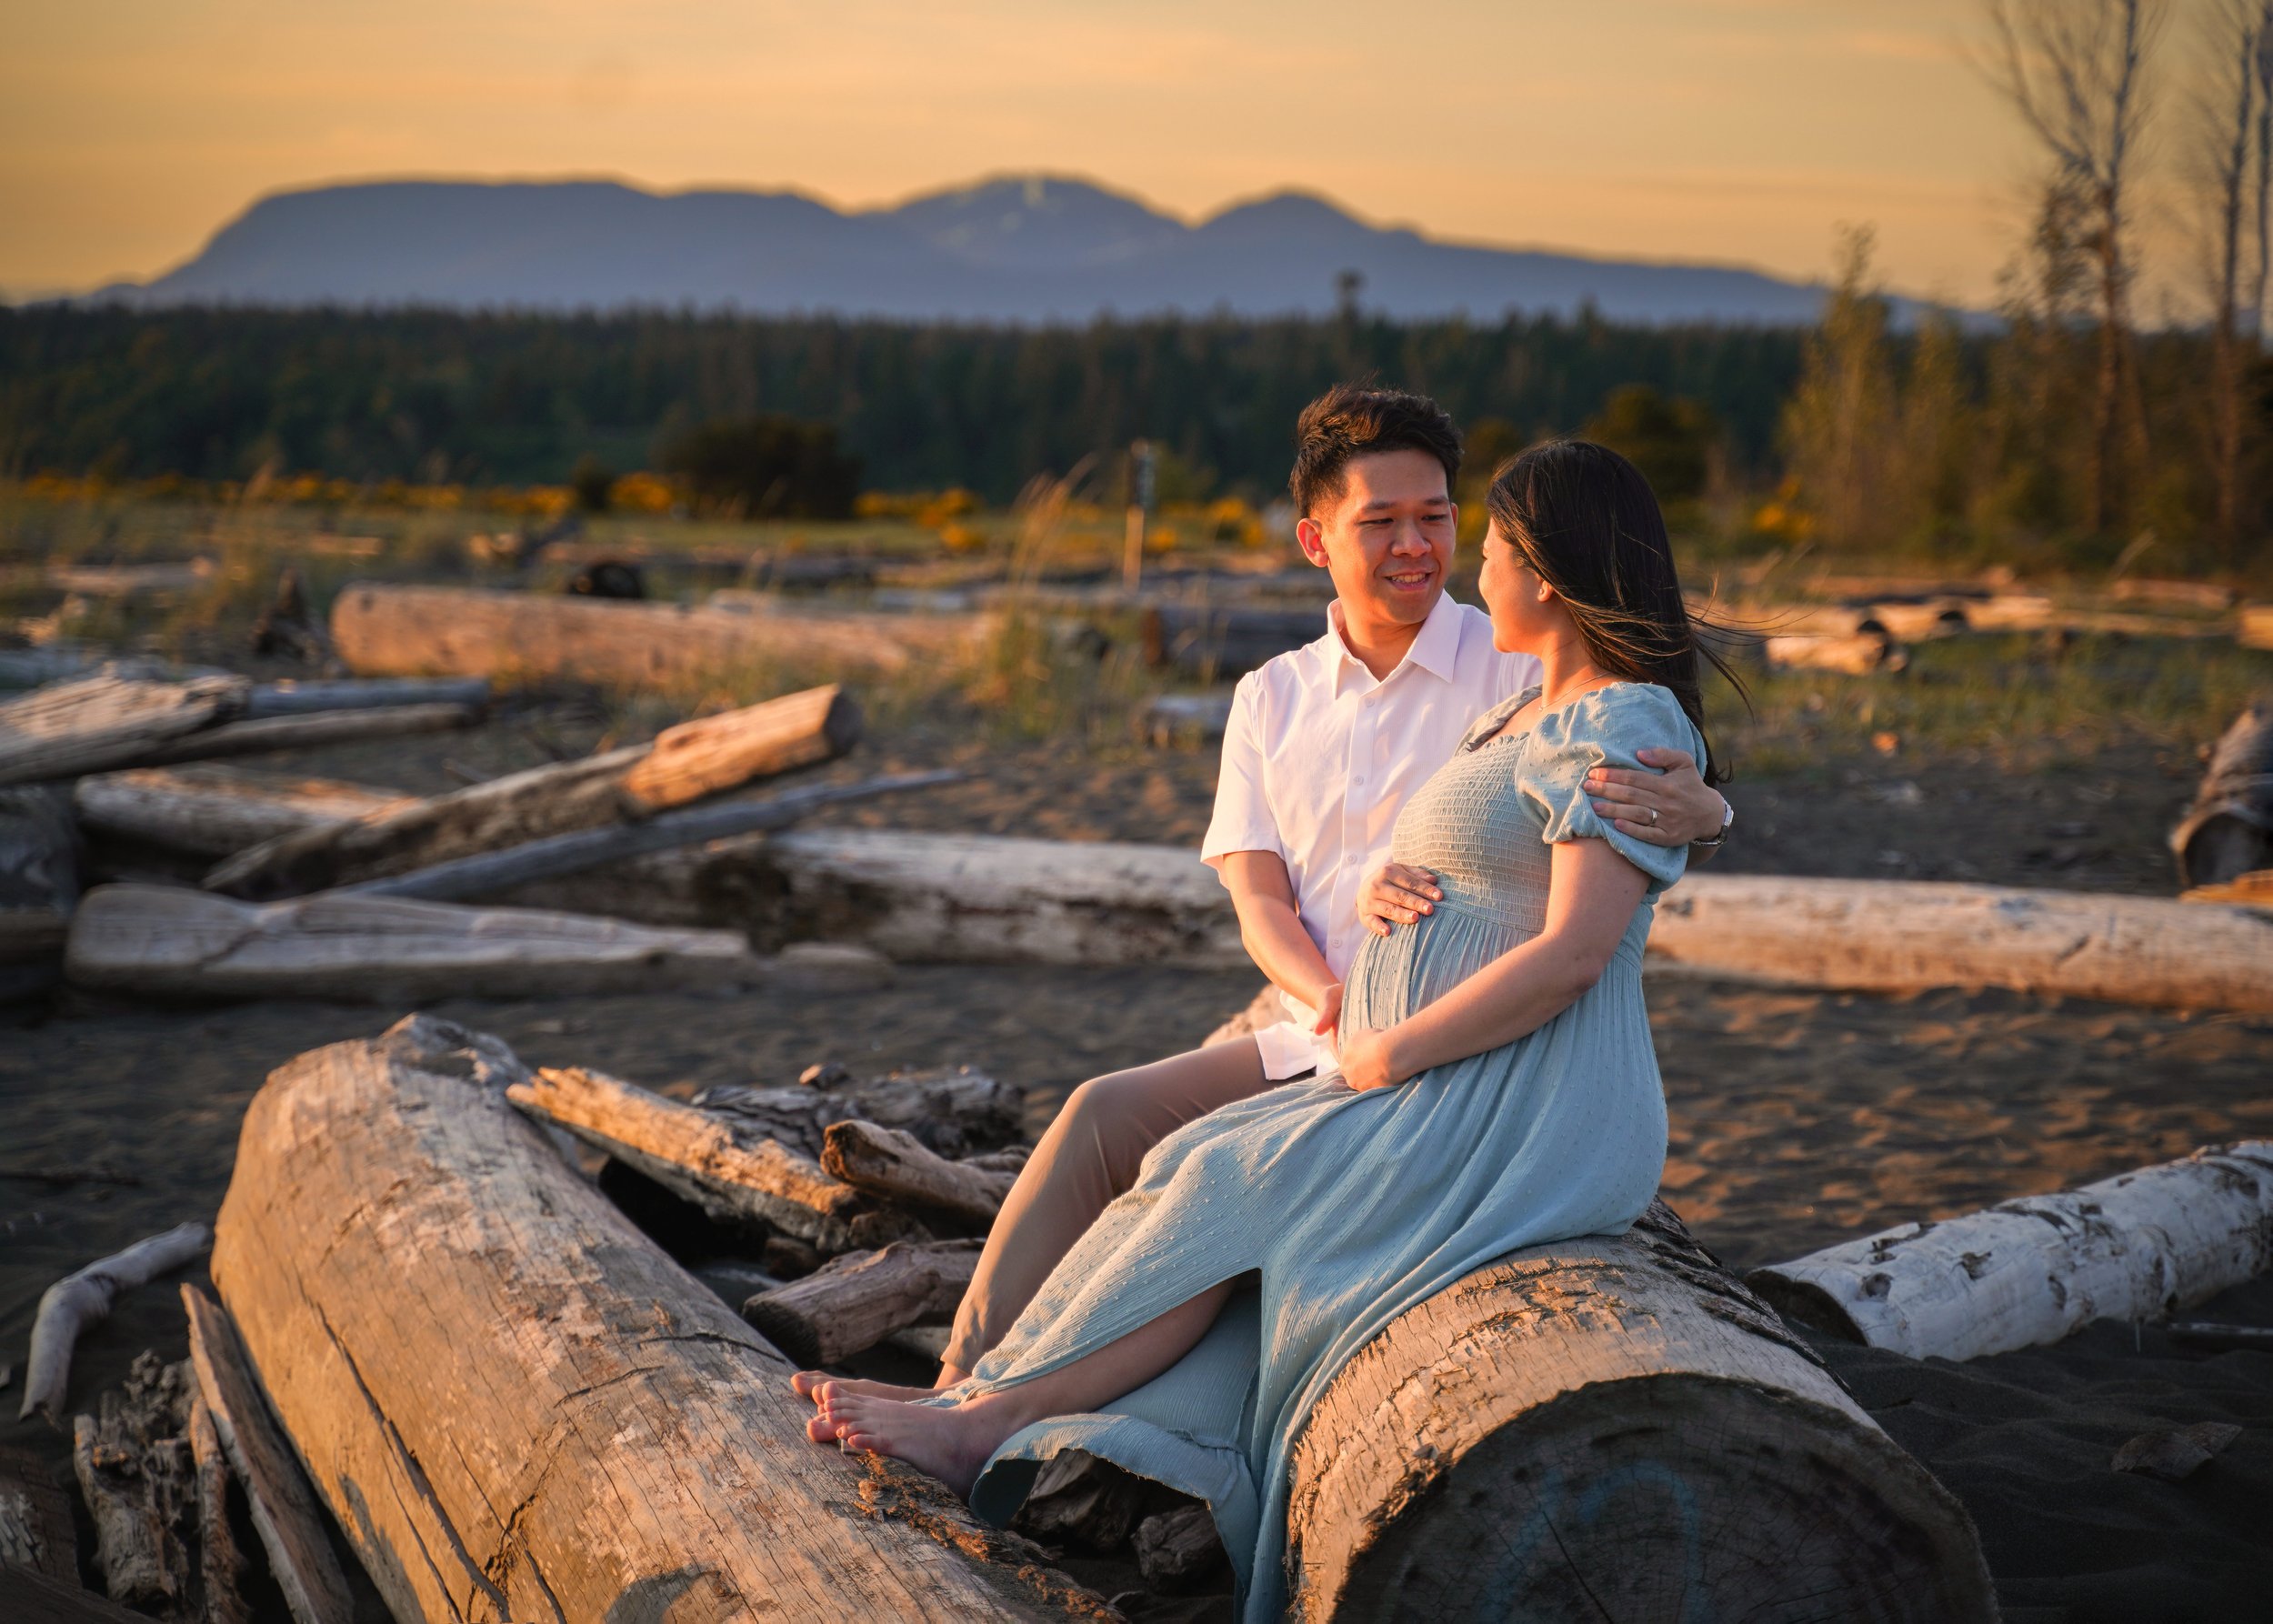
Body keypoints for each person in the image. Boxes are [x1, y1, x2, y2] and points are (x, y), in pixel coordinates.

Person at [809, 436, 1741, 1621]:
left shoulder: (1553, 690)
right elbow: (1291, 889)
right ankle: (971, 1397)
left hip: (1495, 1086)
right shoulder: (1367, 695)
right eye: (1384, 522)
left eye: (1465, 532)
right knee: (1177, 1147)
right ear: (1320, 538)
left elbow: (1578, 939)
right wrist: (1384, 907)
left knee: (1225, 1174)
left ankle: (984, 1419)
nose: (1441, 555)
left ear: (1543, 573)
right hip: (1362, 1042)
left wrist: (1709, 804)